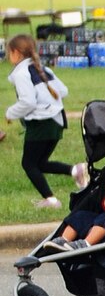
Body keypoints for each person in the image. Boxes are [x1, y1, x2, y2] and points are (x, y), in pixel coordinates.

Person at [4, 35, 76, 208]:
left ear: (15, 53)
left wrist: (10, 113)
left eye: (8, 53)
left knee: (28, 164)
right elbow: (63, 91)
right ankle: (74, 170)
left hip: (41, 123)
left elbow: (28, 102)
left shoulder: (22, 73)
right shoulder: (41, 68)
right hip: (57, 121)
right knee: (40, 163)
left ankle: (51, 200)